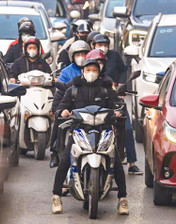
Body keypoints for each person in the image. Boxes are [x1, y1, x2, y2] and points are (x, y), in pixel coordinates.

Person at [51, 52, 128, 215]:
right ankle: (56, 196)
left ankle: (122, 199)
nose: (91, 72)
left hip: (103, 132)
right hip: (79, 132)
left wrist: (119, 112)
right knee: (65, 160)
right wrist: (63, 111)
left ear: (99, 71)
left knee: (117, 162)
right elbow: (61, 107)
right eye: (88, 69)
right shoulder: (73, 89)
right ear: (83, 72)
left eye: (94, 69)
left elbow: (118, 105)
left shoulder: (107, 89)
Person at [90, 34, 141, 175]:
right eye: (94, 65)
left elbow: (123, 71)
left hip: (114, 100)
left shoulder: (111, 69)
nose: (98, 66)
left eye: (105, 44)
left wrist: (120, 87)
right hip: (94, 107)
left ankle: (132, 163)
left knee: (128, 129)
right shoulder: (86, 78)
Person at [49, 40, 92, 167]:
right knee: (58, 123)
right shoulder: (67, 72)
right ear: (72, 56)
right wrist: (61, 110)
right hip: (71, 107)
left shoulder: (94, 70)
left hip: (90, 110)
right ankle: (55, 153)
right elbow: (61, 92)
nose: (81, 58)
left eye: (84, 54)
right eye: (78, 55)